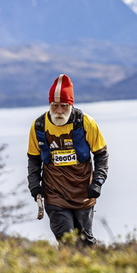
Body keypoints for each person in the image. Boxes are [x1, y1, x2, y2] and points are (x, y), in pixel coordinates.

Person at [27, 74, 109, 245]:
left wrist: (98, 181)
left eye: (63, 106)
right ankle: (66, 271)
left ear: (71, 104)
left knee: (85, 242)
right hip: (54, 194)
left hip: (83, 193)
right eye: (54, 105)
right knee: (67, 241)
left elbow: (101, 155)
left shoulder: (85, 122)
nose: (58, 111)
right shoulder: (38, 126)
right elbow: (34, 160)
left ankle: (89, 271)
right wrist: (35, 187)